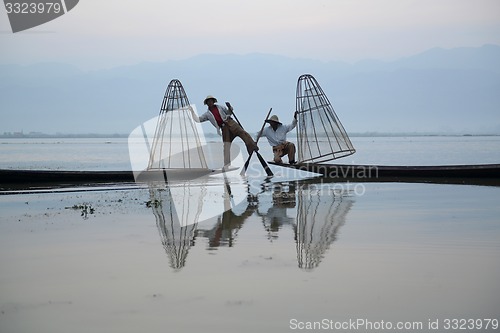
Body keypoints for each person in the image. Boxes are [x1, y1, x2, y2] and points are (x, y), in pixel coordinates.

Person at [191, 95, 258, 166]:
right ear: (207, 103)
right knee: (226, 146)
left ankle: (252, 147)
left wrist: (230, 108)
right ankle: (227, 165)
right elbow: (198, 120)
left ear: (213, 102)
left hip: (231, 123)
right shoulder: (207, 114)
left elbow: (229, 113)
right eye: (208, 102)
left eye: (211, 101)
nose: (210, 102)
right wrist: (192, 112)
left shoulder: (220, 107)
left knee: (243, 133)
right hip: (224, 128)